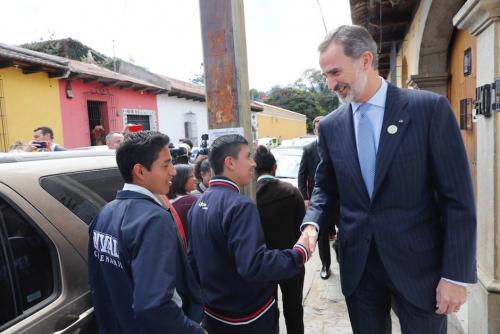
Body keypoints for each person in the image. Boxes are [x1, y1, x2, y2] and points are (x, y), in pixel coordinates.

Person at [301, 25, 477, 334]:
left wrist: (456, 275)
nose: (329, 84)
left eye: (334, 72)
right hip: (360, 268)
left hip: (421, 269)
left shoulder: (428, 110)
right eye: (325, 76)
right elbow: (325, 189)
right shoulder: (331, 126)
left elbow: (457, 199)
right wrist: (312, 224)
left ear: (365, 60)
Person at [188, 134, 311, 334]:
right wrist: (300, 252)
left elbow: (193, 261)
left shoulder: (200, 203)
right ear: (230, 162)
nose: (253, 163)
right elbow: (254, 265)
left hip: (214, 313)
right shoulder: (240, 205)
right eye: (248, 157)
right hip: (247, 317)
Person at [88, 131, 206, 334]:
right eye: (165, 165)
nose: (173, 172)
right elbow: (154, 305)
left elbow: (99, 286)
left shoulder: (104, 214)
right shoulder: (153, 220)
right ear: (140, 171)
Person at [254, 145, 306, 334]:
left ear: (254, 169)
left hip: (263, 264)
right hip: (292, 261)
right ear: (275, 167)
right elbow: (302, 228)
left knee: (268, 310)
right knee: (294, 309)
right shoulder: (291, 192)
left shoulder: (250, 197)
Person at [298, 116, 337, 280]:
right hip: (319, 199)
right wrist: (306, 197)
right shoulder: (308, 149)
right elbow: (301, 176)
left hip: (340, 198)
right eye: (317, 128)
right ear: (314, 130)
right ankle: (325, 265)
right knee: (320, 237)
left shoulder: (338, 145)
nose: (320, 130)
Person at [168, 164, 198, 235]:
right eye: (191, 176)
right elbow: (205, 208)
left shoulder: (167, 201)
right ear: (181, 179)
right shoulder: (190, 201)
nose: (195, 179)